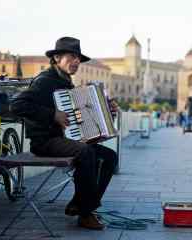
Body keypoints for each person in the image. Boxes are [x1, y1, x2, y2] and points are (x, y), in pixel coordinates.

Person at [10, 37, 118, 230]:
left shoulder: (66, 83)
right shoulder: (44, 81)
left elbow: (78, 116)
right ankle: (85, 213)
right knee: (85, 152)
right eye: (72, 56)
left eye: (78, 58)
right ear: (57, 58)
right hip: (45, 141)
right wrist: (52, 115)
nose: (76, 61)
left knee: (109, 156)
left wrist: (107, 112)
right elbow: (17, 105)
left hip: (64, 139)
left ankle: (79, 203)